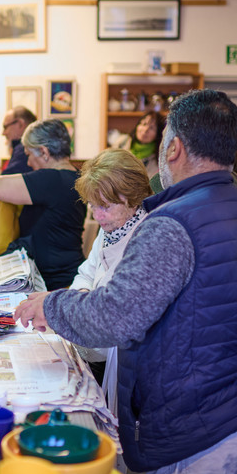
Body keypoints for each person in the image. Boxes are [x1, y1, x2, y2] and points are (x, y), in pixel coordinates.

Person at [15, 89, 237, 474]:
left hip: (199, 433)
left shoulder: (176, 221)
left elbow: (116, 316)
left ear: (173, 148)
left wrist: (51, 306)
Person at [70, 148, 152, 401]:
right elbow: (85, 273)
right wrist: (83, 296)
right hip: (93, 349)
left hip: (123, 365)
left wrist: (79, 309)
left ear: (132, 196)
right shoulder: (110, 229)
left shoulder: (147, 238)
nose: (97, 215)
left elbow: (115, 321)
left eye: (104, 206)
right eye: (92, 206)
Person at [0, 119, 86, 290]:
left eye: (28, 154)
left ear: (44, 151)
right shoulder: (75, 177)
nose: (27, 163)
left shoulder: (52, 179)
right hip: (70, 273)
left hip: (53, 283)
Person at [0, 106, 37, 211]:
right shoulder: (27, 147)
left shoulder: (24, 149)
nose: (3, 133)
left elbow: (4, 185)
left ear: (20, 124)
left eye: (5, 127)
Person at [111, 111, 166, 178]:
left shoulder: (159, 159)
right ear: (137, 125)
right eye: (144, 124)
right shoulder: (122, 142)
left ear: (158, 133)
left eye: (151, 128)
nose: (145, 130)